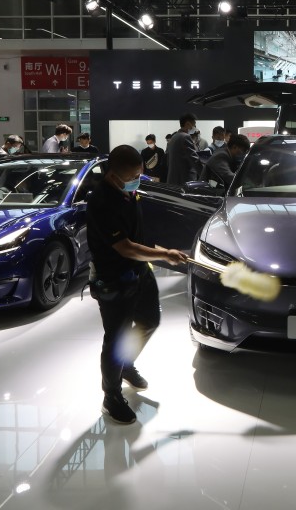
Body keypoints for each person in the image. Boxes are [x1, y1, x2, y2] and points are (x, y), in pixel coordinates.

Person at [86, 145, 186, 424]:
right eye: (133, 175)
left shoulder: (128, 191)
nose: (138, 178)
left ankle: (126, 364)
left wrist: (159, 250)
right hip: (114, 277)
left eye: (140, 173)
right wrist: (165, 255)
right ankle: (111, 395)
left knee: (149, 321)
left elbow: (138, 238)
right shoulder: (102, 201)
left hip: (140, 270)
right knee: (115, 338)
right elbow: (125, 247)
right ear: (115, 175)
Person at [166, 114, 200, 185]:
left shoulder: (174, 137)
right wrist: (205, 174)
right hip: (185, 180)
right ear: (187, 124)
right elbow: (194, 159)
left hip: (174, 180)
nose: (194, 127)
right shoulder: (185, 137)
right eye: (194, 125)